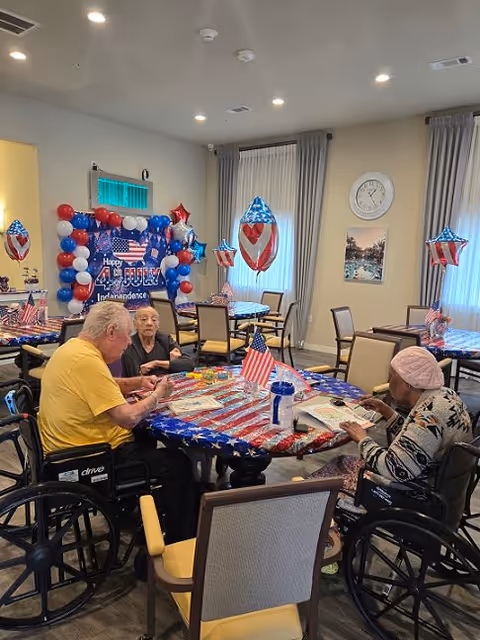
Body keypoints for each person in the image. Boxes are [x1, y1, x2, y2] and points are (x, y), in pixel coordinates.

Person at [38, 300, 196, 544]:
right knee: (179, 463)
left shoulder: (73, 349)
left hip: (64, 449)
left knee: (147, 438)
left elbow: (104, 384)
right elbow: (128, 418)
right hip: (89, 459)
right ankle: (180, 542)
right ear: (111, 331)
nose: (128, 343)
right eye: (126, 337)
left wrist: (138, 382)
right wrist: (157, 395)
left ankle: (140, 507)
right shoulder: (87, 361)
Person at [311, 346, 472, 491]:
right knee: (342, 461)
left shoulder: (429, 414)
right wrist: (386, 411)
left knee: (322, 479)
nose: (388, 382)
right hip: (443, 488)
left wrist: (362, 438)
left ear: (408, 383)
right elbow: (417, 442)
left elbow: (394, 469)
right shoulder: (444, 396)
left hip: (416, 493)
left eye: (391, 376)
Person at [122, 306, 194, 377]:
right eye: (144, 319)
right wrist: (171, 364)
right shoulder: (129, 344)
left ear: (158, 325)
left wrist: (156, 363)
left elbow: (189, 364)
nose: (149, 323)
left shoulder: (165, 339)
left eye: (154, 320)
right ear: (135, 324)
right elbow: (133, 374)